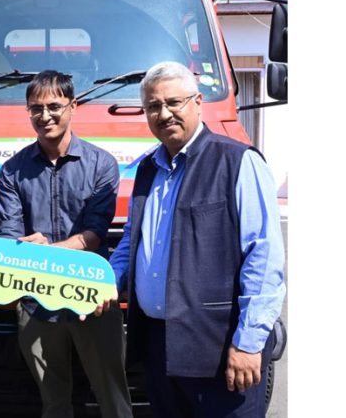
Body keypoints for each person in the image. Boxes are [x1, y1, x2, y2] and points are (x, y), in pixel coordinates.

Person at [109, 61, 286, 418]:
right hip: (160, 348)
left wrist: (248, 343)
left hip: (219, 348)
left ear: (198, 101)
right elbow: (133, 239)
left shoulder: (237, 161)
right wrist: (103, 283)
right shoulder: (147, 168)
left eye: (174, 102)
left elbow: (263, 256)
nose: (165, 113)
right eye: (154, 106)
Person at [0, 70, 132, 418]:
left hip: (92, 297)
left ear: (73, 107)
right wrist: (25, 252)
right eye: (35, 109)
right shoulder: (12, 171)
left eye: (54, 106)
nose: (45, 116)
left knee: (113, 397)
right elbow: (11, 242)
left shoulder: (102, 164)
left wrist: (42, 252)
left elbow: (94, 235)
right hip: (35, 302)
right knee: (53, 403)